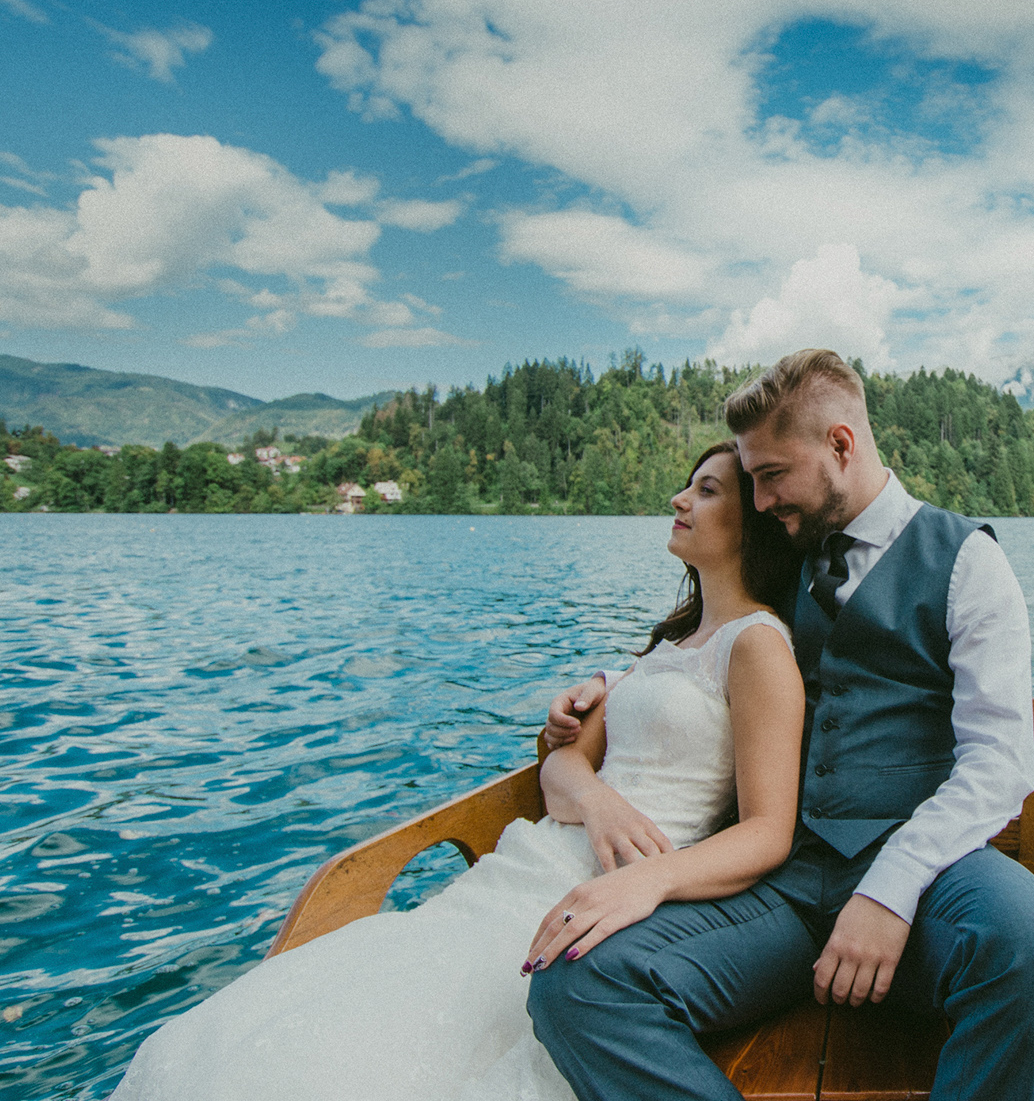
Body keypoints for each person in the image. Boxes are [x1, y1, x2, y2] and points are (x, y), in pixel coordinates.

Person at [107, 442, 804, 1101]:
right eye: (689, 484)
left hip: (617, 882)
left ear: (752, 521)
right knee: (338, 1004)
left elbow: (768, 830)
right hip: (537, 856)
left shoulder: (757, 645)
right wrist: (597, 802)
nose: (680, 498)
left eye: (706, 490)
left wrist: (643, 875)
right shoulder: (667, 648)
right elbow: (560, 764)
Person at [536, 349, 1034, 1101]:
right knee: (580, 983)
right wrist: (603, 689)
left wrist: (890, 889)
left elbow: (1000, 763)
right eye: (751, 480)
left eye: (770, 475)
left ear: (841, 445)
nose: (760, 501)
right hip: (780, 888)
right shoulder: (777, 551)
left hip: (927, 878)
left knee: (1033, 942)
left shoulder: (967, 562)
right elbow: (700, 648)